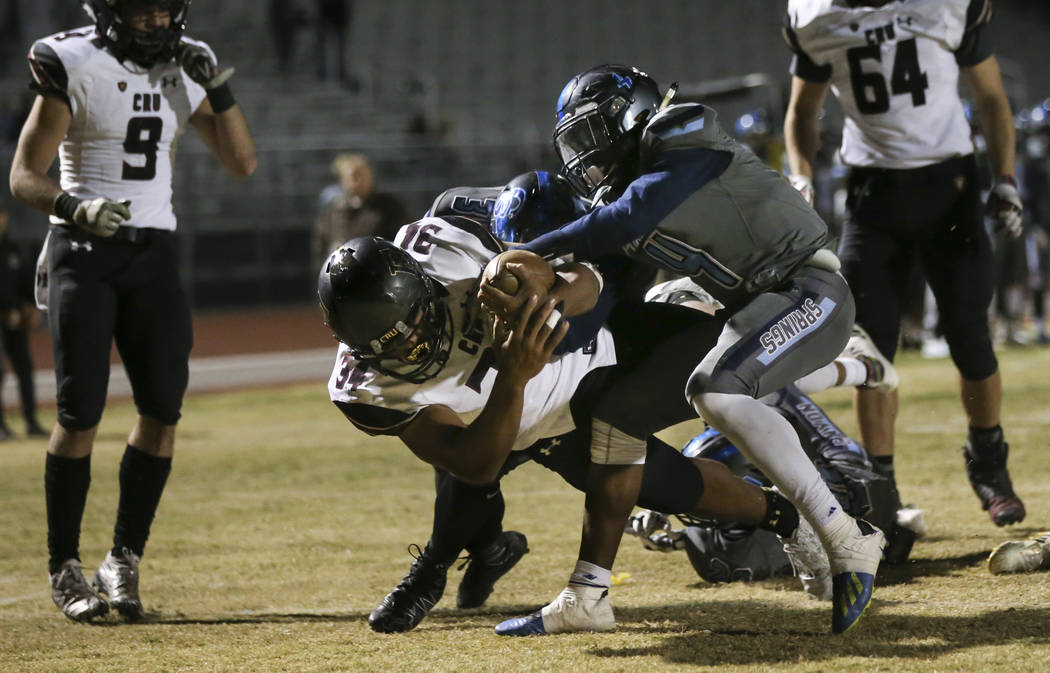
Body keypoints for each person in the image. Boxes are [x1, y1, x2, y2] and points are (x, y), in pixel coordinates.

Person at [487, 64, 885, 635]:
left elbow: (632, 215)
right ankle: (589, 594)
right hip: (753, 307)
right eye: (575, 143)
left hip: (807, 286)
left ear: (631, 116)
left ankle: (847, 536)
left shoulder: (682, 130)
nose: (585, 155)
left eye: (592, 135)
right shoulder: (623, 194)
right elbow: (609, 293)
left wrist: (533, 253)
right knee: (615, 418)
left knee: (714, 390)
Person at [320, 217, 827, 634]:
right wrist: (514, 378)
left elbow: (579, 266)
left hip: (601, 342)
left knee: (731, 359)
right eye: (392, 347)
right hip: (540, 424)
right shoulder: (361, 387)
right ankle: (791, 520)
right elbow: (473, 465)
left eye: (416, 327)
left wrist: (554, 296)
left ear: (426, 286)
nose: (412, 348)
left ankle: (812, 479)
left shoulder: (450, 244)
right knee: (673, 487)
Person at [8, 0, 256, 622]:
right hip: (86, 251)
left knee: (162, 412)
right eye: (141, 11)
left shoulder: (186, 66)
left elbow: (242, 162)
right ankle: (64, 563)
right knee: (79, 413)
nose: (154, 23)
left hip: (155, 253)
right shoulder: (73, 61)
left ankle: (123, 557)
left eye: (163, 11)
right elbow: (23, 175)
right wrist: (74, 207)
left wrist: (219, 93)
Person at [782, 0, 1026, 528]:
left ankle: (989, 464)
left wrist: (1004, 177)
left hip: (950, 190)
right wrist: (801, 174)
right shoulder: (817, 17)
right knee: (869, 346)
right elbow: (803, 112)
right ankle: (882, 490)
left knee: (969, 333)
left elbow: (990, 97)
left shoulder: (942, 6)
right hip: (875, 198)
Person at [0, 203, 47, 439]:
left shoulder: (14, 248)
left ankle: (31, 421)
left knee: (24, 368)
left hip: (17, 318)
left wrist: (31, 307)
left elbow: (28, 281)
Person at [313, 152, 406, 269]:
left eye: (361, 175)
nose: (357, 182)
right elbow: (321, 251)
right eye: (352, 177)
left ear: (371, 175)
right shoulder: (331, 213)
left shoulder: (390, 207)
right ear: (342, 180)